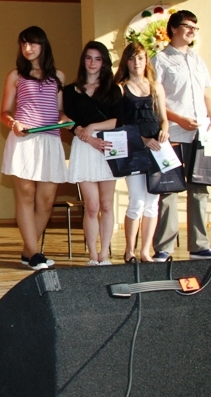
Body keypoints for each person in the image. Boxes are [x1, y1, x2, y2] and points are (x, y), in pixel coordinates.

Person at [151, 10, 211, 261]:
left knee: (200, 188)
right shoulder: (159, 59)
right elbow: (155, 99)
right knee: (169, 190)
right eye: (187, 26)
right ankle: (164, 248)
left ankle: (199, 246)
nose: (192, 31)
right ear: (173, 29)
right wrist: (178, 119)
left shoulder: (198, 60)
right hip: (172, 133)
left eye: (195, 27)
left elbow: (206, 95)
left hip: (201, 135)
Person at [1, 26, 68, 271]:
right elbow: (4, 112)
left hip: (50, 141)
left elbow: (60, 110)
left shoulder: (58, 76)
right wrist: (13, 124)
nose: (27, 48)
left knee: (46, 201)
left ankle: (28, 251)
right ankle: (35, 253)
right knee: (26, 197)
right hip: (25, 141)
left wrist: (64, 118)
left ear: (43, 44)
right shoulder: (15, 76)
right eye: (23, 44)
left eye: (32, 43)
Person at [63, 41, 122, 266]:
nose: (93, 63)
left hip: (107, 146)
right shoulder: (71, 90)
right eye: (89, 58)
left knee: (106, 205)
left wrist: (93, 127)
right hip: (84, 147)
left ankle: (104, 254)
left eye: (98, 59)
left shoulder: (113, 90)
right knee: (92, 206)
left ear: (104, 62)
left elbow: (118, 120)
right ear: (83, 61)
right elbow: (66, 119)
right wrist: (86, 134)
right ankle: (92, 255)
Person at [114, 42, 169, 263]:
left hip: (157, 150)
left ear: (146, 60)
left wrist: (164, 131)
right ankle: (129, 250)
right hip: (134, 149)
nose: (137, 63)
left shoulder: (156, 87)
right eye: (132, 58)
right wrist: (142, 139)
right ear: (126, 62)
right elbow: (119, 124)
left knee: (152, 202)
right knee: (136, 201)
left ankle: (145, 251)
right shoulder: (120, 88)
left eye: (140, 58)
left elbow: (164, 118)